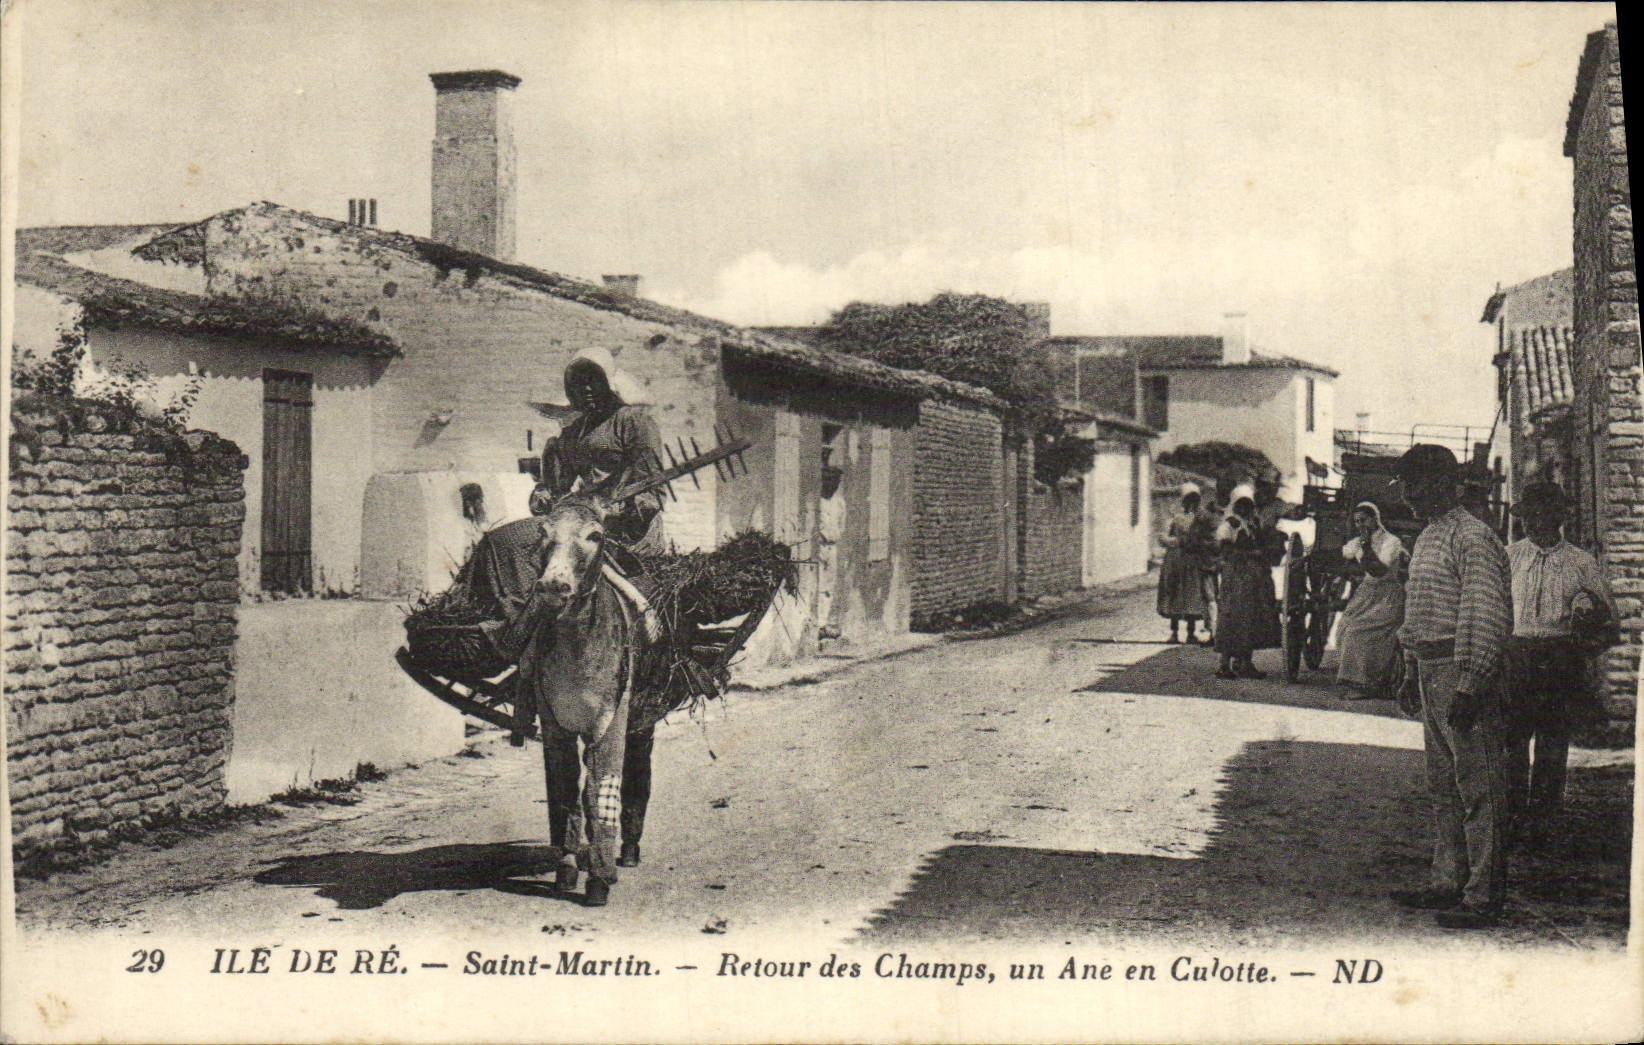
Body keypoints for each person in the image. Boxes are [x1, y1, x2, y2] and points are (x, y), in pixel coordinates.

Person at [1389, 444, 1513, 930]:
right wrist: (1409, 670)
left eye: (1417, 485)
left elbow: (1485, 613)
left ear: (1444, 484)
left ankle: (1483, 897)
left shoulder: (1473, 537)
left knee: (1480, 789)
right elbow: (1417, 612)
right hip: (1430, 671)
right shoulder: (1427, 538)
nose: (1411, 495)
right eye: (1408, 486)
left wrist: (1471, 683)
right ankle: (1447, 881)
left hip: (1462, 673)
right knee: (1444, 787)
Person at [1503, 482, 1617, 847]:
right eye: (1529, 517)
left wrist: (1584, 646)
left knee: (1552, 743)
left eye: (1544, 516)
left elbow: (1608, 622)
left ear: (1559, 518)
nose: (1536, 524)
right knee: (1512, 740)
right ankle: (1512, 816)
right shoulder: (1508, 558)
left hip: (1558, 659)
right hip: (1517, 656)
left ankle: (1542, 821)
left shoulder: (1582, 563)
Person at [1335, 501, 1409, 699]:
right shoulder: (1357, 542)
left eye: (1364, 520)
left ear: (1375, 519)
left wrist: (1366, 547)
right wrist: (1307, 558)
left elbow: (1379, 570)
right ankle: (1354, 679)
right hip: (1366, 594)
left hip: (1387, 596)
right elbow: (1340, 555)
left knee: (1358, 632)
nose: (1360, 525)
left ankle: (1365, 684)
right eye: (1357, 522)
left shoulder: (1391, 542)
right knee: (1345, 627)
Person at [1213, 483, 1282, 679]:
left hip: (1252, 579)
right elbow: (1227, 552)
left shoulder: (1252, 525)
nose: (1244, 508)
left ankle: (1245, 663)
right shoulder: (1229, 526)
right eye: (1240, 504)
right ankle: (1224, 664)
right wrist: (1253, 553)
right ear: (1234, 505)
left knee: (1250, 619)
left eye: (1248, 504)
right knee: (1232, 618)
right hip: (1236, 578)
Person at [1158, 483, 1214, 644]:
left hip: (1192, 560)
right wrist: (1178, 542)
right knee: (1175, 594)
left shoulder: (1201, 519)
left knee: (1191, 596)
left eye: (1195, 500)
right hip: (1175, 560)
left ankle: (1190, 632)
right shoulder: (1175, 518)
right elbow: (1162, 538)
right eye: (1188, 500)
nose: (1192, 504)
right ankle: (1174, 632)